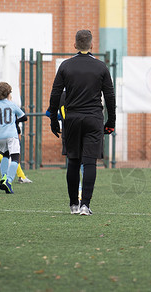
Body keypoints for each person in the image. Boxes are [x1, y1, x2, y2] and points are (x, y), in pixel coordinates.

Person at [48, 29, 115, 215]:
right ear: (92, 45)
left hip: (72, 119)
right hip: (94, 118)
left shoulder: (65, 66)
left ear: (75, 45)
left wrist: (54, 119)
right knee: (90, 162)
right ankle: (85, 205)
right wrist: (111, 121)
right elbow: (110, 97)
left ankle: (73, 205)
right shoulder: (101, 67)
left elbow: (55, 94)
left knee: (74, 161)